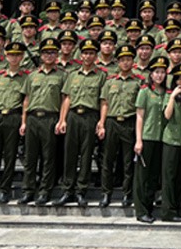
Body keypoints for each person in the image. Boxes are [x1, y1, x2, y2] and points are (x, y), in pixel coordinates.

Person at [55, 38, 107, 207]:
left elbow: (103, 101)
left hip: (90, 116)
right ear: (81, 55)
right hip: (73, 117)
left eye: (91, 53)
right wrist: (62, 119)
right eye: (85, 53)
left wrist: (101, 121)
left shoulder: (101, 75)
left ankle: (81, 191)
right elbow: (67, 98)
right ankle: (67, 190)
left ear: (96, 55)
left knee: (86, 155)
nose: (87, 56)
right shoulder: (72, 75)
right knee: (70, 154)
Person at [19, 38, 67, 206]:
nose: (49, 55)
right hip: (32, 117)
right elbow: (26, 99)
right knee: (30, 157)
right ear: (40, 55)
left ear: (57, 55)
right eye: (46, 52)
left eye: (52, 52)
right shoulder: (32, 76)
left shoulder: (62, 75)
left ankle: (45, 190)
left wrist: (61, 120)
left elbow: (64, 100)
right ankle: (28, 190)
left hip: (50, 118)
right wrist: (24, 122)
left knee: (48, 158)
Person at [0, 42, 29, 204]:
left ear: (22, 57)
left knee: (10, 156)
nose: (14, 58)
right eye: (11, 54)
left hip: (13, 116)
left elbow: (25, 102)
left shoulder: (26, 77)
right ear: (6, 56)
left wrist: (23, 121)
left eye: (17, 55)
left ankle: (5, 189)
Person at [98, 45, 143, 208]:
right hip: (111, 122)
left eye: (128, 60)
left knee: (128, 162)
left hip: (129, 122)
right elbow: (104, 103)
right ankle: (106, 193)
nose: (125, 63)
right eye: (122, 60)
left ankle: (127, 194)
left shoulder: (138, 82)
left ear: (133, 61)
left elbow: (140, 108)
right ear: (118, 62)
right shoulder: (110, 82)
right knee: (107, 160)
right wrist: (102, 123)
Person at [134, 55, 168, 223]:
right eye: (156, 72)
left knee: (154, 176)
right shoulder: (145, 92)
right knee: (143, 176)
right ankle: (141, 210)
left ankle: (149, 207)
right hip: (147, 137)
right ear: (151, 74)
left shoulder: (166, 93)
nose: (159, 75)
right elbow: (140, 116)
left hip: (161, 138)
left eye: (162, 72)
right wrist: (138, 140)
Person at [160, 60, 181, 221]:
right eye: (179, 77)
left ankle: (178, 208)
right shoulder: (169, 94)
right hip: (171, 140)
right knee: (169, 178)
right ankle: (168, 211)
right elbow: (166, 115)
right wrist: (172, 97)